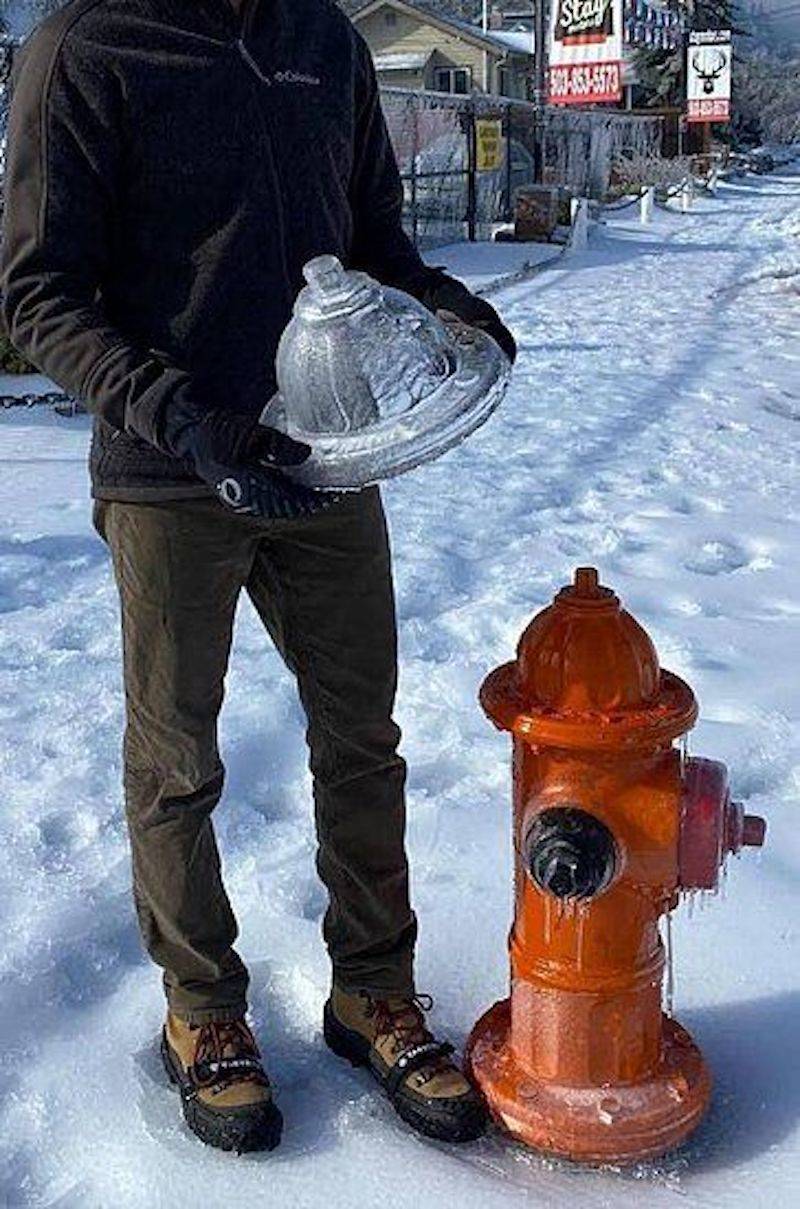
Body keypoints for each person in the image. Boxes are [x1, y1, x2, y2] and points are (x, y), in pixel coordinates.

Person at [0, 0, 516, 1155]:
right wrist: (185, 420)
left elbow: (372, 242)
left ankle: (371, 990)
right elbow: (38, 291)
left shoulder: (321, 40)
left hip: (328, 459)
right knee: (177, 760)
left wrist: (446, 308)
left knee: (361, 737)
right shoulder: (88, 45)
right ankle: (204, 1012)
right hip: (170, 471)